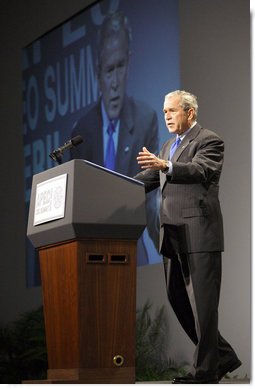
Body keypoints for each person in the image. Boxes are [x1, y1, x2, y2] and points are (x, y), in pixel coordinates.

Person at [135, 90, 241, 384]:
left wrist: (166, 166)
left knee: (203, 305)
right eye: (164, 111)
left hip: (199, 234)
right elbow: (148, 180)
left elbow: (200, 171)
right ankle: (223, 356)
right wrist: (113, 184)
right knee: (178, 300)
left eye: (171, 110)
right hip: (172, 235)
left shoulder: (209, 140)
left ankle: (205, 372)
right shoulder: (169, 145)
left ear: (189, 113)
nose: (166, 115)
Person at [70, 11, 159, 264]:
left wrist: (168, 251)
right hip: (91, 247)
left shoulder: (145, 119)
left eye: (121, 67)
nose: (115, 82)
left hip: (131, 242)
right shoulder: (81, 132)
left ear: (129, 63)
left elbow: (151, 202)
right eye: (109, 70)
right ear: (98, 73)